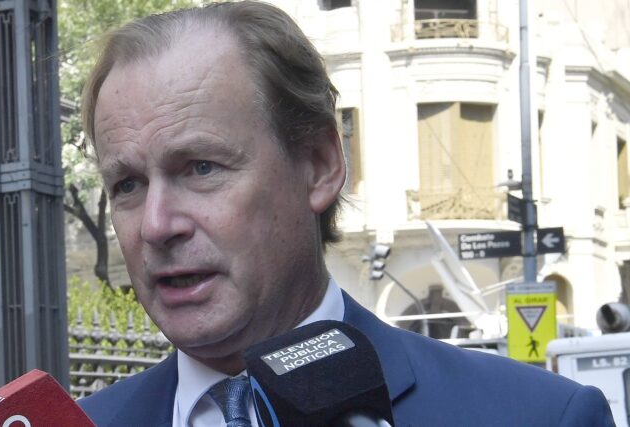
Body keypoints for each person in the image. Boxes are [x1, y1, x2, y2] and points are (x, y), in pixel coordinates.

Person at [75, 2, 615, 426]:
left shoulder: (538, 416)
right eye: (128, 184)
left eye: (201, 168)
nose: (157, 225)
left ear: (320, 166)